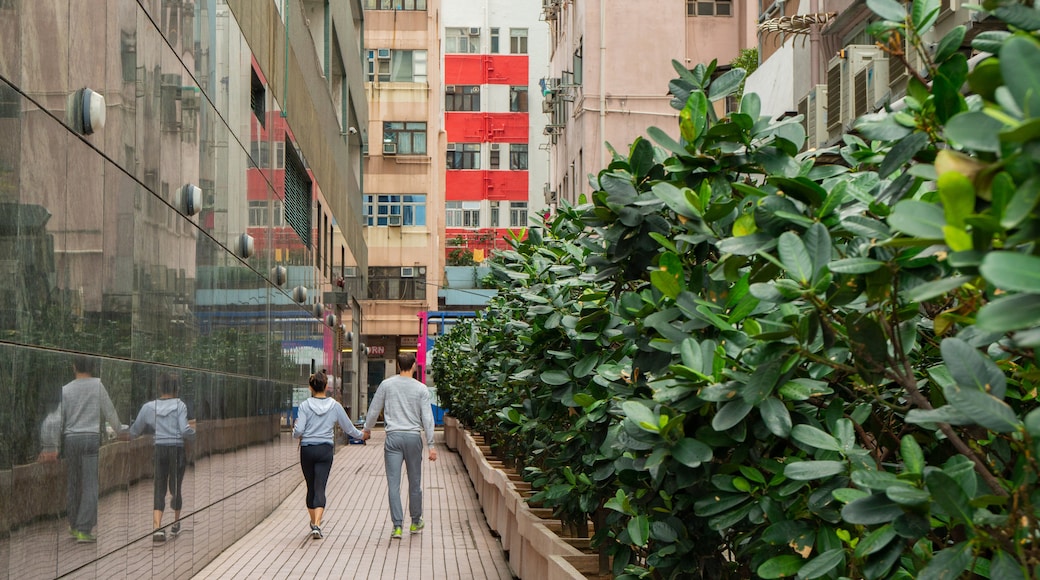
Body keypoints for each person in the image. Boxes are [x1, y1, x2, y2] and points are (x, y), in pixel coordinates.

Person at [39, 355, 124, 544]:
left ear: (74, 367)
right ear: (92, 367)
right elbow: (109, 411)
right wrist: (120, 430)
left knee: (73, 484)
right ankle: (84, 529)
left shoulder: (66, 389)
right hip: (90, 439)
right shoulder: (97, 385)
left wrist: (50, 446)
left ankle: (73, 524)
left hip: (71, 440)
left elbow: (55, 419)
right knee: (90, 484)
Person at [362, 352, 437, 539]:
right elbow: (427, 418)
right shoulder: (421, 389)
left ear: (397, 365)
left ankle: (397, 526)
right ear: (413, 366)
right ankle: (415, 521)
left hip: (393, 438)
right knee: (415, 483)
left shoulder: (386, 385)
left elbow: (374, 409)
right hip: (413, 438)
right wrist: (431, 444)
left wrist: (367, 429)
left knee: (393, 484)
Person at [293, 371, 364, 540]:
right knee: (320, 486)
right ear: (326, 387)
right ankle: (316, 523)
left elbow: (299, 432)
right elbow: (348, 428)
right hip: (325, 450)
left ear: (310, 387)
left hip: (307, 450)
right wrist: (361, 435)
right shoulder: (335, 406)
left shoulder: (304, 406)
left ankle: (314, 522)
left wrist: (295, 431)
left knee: (311, 486)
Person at [129, 372, 196, 542]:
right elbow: (184, 430)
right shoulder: (180, 405)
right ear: (177, 388)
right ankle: (175, 523)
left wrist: (120, 432)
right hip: (176, 450)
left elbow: (135, 431)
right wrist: (195, 433)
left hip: (159, 449)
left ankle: (157, 528)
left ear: (159, 387)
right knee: (175, 488)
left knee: (159, 488)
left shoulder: (149, 407)